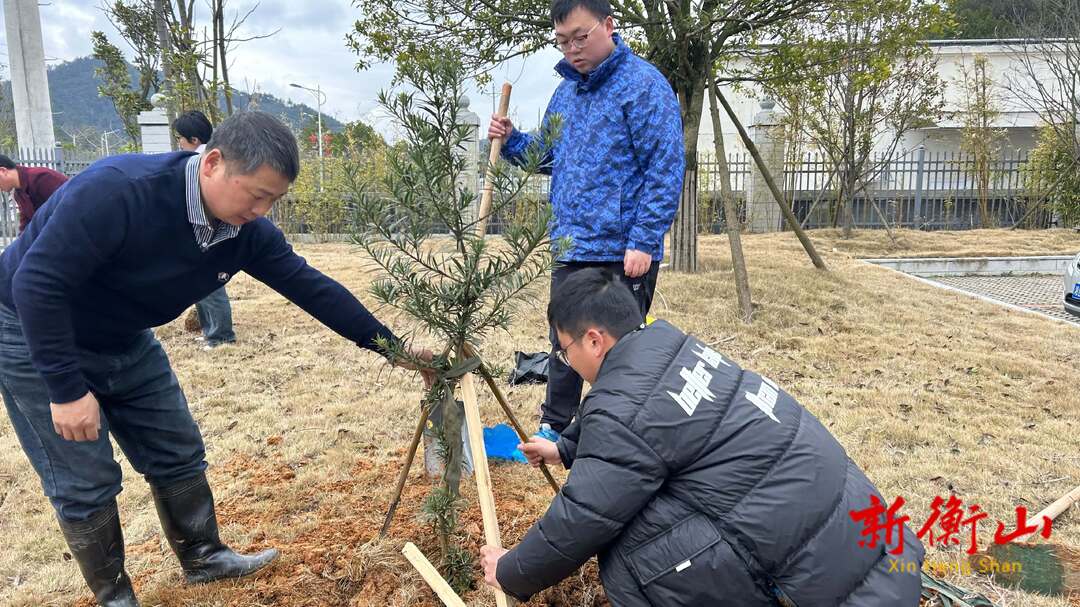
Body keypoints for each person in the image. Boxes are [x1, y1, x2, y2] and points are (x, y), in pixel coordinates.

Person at [0, 111, 433, 607]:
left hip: (123, 333)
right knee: (85, 478)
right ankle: (115, 598)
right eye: (257, 194)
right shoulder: (118, 191)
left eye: (274, 199)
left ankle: (204, 557)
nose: (263, 210)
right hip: (33, 328)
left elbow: (311, 287)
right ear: (212, 163)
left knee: (176, 445)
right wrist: (67, 388)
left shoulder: (245, 230)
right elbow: (36, 284)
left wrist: (392, 348)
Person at [479, 268, 925, 606]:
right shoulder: (670, 349)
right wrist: (565, 449)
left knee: (631, 552)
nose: (565, 361)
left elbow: (581, 519)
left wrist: (511, 570)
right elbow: (646, 430)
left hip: (836, 591)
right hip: (882, 557)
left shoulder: (625, 408)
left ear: (594, 340)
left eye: (564, 350)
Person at [488, 0, 684, 441]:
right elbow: (548, 156)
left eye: (580, 37)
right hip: (570, 244)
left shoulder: (644, 86)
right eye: (562, 41)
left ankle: (619, 429)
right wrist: (513, 139)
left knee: (618, 347)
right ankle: (555, 425)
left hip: (622, 249)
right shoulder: (565, 92)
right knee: (565, 340)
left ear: (609, 26)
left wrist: (645, 239)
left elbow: (665, 167)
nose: (572, 49)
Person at [174, 110, 235, 348]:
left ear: (194, 140)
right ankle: (212, 331)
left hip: (206, 234)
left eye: (181, 138)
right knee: (202, 285)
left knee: (211, 285)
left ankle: (221, 336)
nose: (179, 143)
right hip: (201, 233)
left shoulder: (200, 165)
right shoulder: (205, 161)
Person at [0, 153, 69, 233]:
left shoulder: (41, 178)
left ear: (2, 171)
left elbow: (65, 211)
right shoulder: (18, 194)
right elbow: (26, 227)